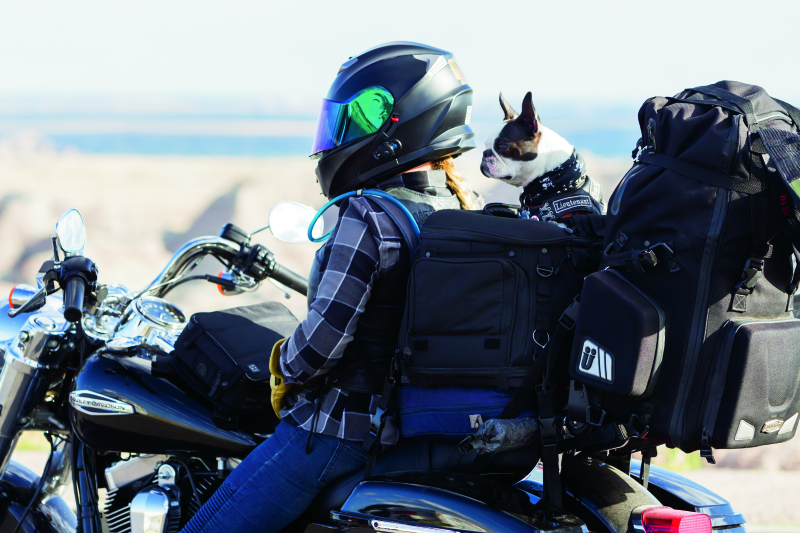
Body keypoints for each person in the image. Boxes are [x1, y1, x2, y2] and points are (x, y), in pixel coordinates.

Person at [181, 42, 481, 533]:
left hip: (340, 431)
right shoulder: (463, 209)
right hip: (418, 426)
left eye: (358, 117)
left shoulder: (369, 216)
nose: (341, 136)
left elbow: (318, 348)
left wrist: (280, 366)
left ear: (400, 122)